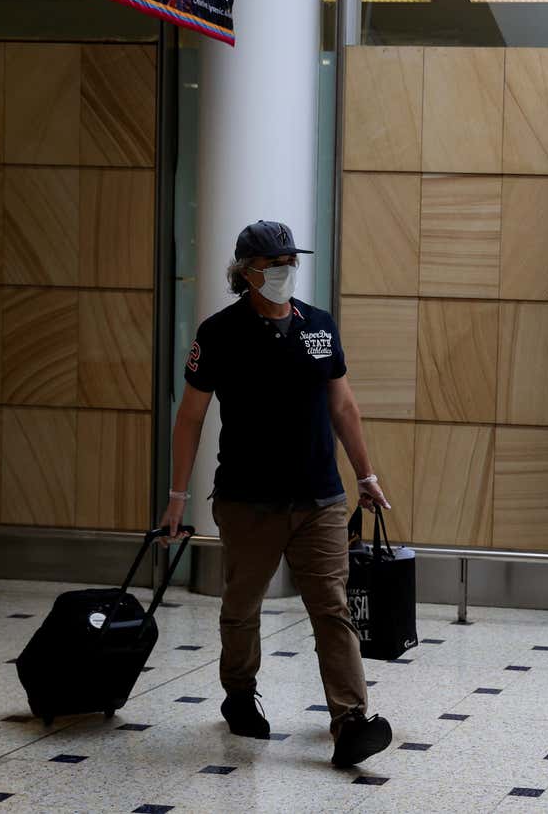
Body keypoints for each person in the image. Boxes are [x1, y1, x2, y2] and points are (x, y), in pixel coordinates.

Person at [159, 220, 393, 768]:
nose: (286, 271)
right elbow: (190, 418)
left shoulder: (318, 326)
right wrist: (176, 497)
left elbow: (343, 407)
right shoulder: (219, 334)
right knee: (241, 608)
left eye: (292, 261)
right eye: (274, 264)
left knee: (332, 609)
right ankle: (240, 692)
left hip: (320, 501)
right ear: (247, 273)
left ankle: (350, 720)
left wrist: (365, 475)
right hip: (247, 501)